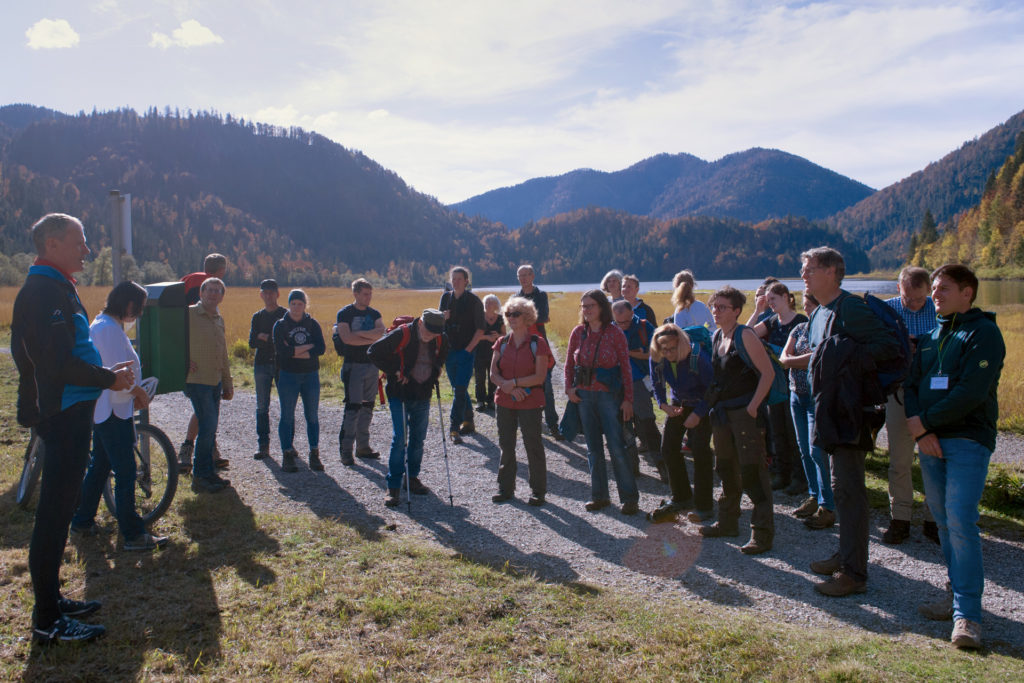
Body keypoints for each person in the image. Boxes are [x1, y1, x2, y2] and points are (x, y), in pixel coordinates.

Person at [12, 213, 135, 644]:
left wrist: (104, 374)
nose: (86, 249)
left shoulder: (57, 286)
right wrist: (109, 379)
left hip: (71, 414)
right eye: (79, 241)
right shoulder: (44, 291)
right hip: (61, 416)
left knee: (61, 513)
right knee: (53, 516)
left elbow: (67, 353)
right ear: (51, 244)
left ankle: (53, 600)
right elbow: (57, 363)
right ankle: (47, 618)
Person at [905, 264, 1004, 650]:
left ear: (968, 292)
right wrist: (923, 429)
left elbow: (971, 391)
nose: (935, 295)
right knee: (944, 523)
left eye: (944, 288)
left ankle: (969, 617)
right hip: (931, 442)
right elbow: (911, 383)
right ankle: (955, 594)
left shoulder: (984, 334)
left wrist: (924, 423)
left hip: (966, 440)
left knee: (961, 520)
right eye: (933, 288)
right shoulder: (932, 336)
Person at [802, 247, 900, 596]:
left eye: (810, 269)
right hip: (829, 409)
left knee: (850, 490)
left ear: (832, 272)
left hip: (851, 412)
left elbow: (890, 347)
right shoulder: (820, 312)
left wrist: (846, 360)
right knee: (839, 488)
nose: (804, 275)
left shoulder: (851, 307)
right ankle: (845, 554)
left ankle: (854, 574)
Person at [71, 281, 169, 552]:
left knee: (100, 467)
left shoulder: (103, 325)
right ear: (128, 304)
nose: (138, 314)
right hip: (113, 410)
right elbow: (118, 375)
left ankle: (82, 520)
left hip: (108, 409)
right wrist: (138, 392)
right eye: (137, 308)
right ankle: (133, 534)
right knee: (125, 472)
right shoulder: (109, 331)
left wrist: (134, 391)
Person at [698, 286, 775, 555]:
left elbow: (768, 374)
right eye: (713, 306)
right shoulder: (718, 335)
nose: (715, 311)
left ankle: (762, 533)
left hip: (745, 415)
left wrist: (753, 407)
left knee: (753, 472)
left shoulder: (746, 335)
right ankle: (728, 522)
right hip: (722, 415)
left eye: (722, 307)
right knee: (726, 468)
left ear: (737, 311)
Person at [564, 290, 639, 515]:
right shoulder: (578, 332)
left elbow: (626, 368)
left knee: (617, 447)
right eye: (583, 306)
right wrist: (569, 389)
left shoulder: (615, 333)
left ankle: (629, 498)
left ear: (602, 307)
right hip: (584, 397)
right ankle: (599, 496)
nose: (586, 310)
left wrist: (628, 400)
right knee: (593, 450)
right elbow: (568, 365)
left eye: (591, 306)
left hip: (609, 397)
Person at [368, 309, 449, 508]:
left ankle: (411, 477)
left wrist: (436, 371)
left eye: (435, 335)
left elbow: (442, 356)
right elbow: (373, 352)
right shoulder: (402, 334)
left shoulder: (440, 338)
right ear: (420, 323)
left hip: (423, 393)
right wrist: (395, 370)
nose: (431, 338)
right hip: (399, 393)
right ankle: (393, 485)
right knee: (400, 439)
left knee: (418, 439)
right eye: (428, 333)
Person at [883, 266, 939, 545]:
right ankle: (900, 518)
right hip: (899, 392)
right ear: (898, 289)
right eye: (908, 299)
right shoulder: (886, 310)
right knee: (900, 460)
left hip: (933, 394)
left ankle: (934, 519)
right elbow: (875, 347)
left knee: (934, 457)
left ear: (928, 290)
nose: (914, 304)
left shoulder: (939, 309)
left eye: (919, 299)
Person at [647, 324, 715, 523]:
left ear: (681, 344)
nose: (667, 353)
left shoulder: (697, 358)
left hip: (702, 405)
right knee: (668, 449)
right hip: (678, 405)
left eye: (672, 349)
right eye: (663, 349)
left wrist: (699, 414)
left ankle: (705, 505)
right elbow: (656, 380)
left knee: (701, 452)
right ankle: (682, 497)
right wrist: (662, 404)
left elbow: (713, 388)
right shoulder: (657, 356)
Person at [779, 290, 835, 529]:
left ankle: (827, 504)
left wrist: (795, 360)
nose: (808, 311)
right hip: (796, 395)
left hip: (815, 398)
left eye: (812, 306)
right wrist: (797, 360)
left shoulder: (826, 330)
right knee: (803, 448)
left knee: (816, 450)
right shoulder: (799, 329)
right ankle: (814, 495)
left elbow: (817, 356)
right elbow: (783, 357)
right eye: (806, 306)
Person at [489, 297, 551, 506]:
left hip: (530, 401)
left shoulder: (538, 343)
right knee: (506, 445)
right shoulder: (502, 342)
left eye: (516, 314)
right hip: (505, 400)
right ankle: (505, 489)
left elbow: (540, 377)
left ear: (527, 318)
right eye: (508, 314)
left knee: (533, 445)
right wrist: (508, 387)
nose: (511, 318)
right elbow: (493, 373)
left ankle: (538, 492)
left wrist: (513, 384)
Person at [752, 282, 808, 493]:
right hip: (775, 385)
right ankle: (781, 473)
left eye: (773, 299)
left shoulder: (801, 321)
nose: (770, 303)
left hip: (795, 384)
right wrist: (758, 311)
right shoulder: (772, 321)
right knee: (777, 431)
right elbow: (748, 334)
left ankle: (799, 477)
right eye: (768, 299)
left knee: (793, 432)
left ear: (786, 297)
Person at [178, 253, 228, 473]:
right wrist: (183, 361)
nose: (213, 294)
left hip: (208, 367)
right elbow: (176, 333)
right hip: (197, 369)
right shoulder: (203, 286)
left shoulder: (192, 280)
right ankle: (195, 457)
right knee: (205, 416)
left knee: (205, 414)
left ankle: (202, 453)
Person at [185, 277, 235, 493]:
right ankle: (200, 476)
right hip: (197, 381)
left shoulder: (218, 318)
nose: (214, 294)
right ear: (201, 293)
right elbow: (171, 339)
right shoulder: (188, 314)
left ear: (222, 297)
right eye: (210, 290)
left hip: (214, 380)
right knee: (207, 427)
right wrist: (182, 361)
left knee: (209, 428)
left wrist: (227, 382)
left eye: (218, 291)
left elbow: (222, 352)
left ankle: (207, 472)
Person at [273, 289, 326, 473]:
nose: (296, 307)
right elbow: (282, 352)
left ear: (305, 305)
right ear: (289, 304)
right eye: (293, 303)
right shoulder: (280, 325)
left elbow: (321, 348)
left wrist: (295, 351)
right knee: (287, 416)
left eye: (300, 304)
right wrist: (307, 348)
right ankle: (287, 454)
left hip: (310, 375)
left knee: (312, 416)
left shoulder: (312, 324)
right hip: (288, 375)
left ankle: (314, 453)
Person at [335, 278, 385, 465]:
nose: (368, 297)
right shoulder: (345, 313)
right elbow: (346, 339)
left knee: (367, 406)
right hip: (353, 366)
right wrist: (370, 336)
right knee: (353, 407)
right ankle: (346, 450)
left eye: (370, 293)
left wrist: (359, 335)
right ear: (355, 294)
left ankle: (363, 447)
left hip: (372, 365)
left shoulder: (375, 313)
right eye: (365, 294)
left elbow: (381, 333)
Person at [439, 266, 486, 444]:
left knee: (459, 390)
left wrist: (469, 350)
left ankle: (454, 427)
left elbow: (481, 329)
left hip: (467, 351)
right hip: (449, 351)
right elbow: (437, 323)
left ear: (466, 281)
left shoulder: (474, 301)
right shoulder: (445, 298)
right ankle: (469, 419)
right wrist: (444, 317)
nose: (456, 281)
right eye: (453, 278)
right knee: (457, 388)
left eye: (459, 278)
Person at [516, 264, 563, 440]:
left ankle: (552, 425)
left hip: (539, 345)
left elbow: (543, 316)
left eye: (526, 275)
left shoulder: (540, 295)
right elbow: (513, 321)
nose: (523, 279)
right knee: (525, 384)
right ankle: (531, 421)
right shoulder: (515, 297)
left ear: (533, 276)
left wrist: (522, 318)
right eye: (520, 276)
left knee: (547, 386)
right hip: (522, 346)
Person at [612, 300, 660, 468]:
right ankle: (631, 467)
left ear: (632, 313)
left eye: (625, 321)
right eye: (619, 322)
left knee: (647, 421)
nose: (622, 325)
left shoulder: (645, 328)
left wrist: (625, 352)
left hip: (639, 381)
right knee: (623, 424)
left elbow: (653, 355)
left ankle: (661, 464)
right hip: (617, 383)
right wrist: (634, 352)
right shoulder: (610, 329)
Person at [248, 279, 287, 460]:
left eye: (272, 292)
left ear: (278, 294)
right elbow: (251, 342)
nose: (269, 295)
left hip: (281, 365)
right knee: (262, 406)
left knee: (287, 405)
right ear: (261, 294)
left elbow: (286, 342)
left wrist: (264, 337)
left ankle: (288, 444)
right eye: (266, 292)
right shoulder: (258, 316)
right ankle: (263, 445)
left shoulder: (285, 315)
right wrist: (267, 338)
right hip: (262, 364)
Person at [474, 294, 505, 413]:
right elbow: (474, 335)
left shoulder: (500, 318)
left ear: (496, 305)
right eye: (486, 302)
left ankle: (491, 400)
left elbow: (504, 335)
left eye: (491, 302)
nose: (488, 305)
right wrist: (486, 337)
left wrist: (498, 336)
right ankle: (480, 401)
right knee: (480, 378)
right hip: (480, 352)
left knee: (493, 377)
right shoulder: (479, 317)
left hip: (495, 353)